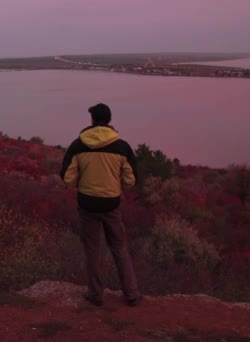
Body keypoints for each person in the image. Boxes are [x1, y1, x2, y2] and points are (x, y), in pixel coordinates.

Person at [60, 103, 142, 307]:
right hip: (111, 205)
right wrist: (114, 184)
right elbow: (131, 180)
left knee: (92, 249)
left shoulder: (78, 145)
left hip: (87, 204)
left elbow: (68, 179)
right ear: (109, 120)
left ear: (93, 120)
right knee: (119, 247)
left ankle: (96, 294)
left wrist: (84, 183)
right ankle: (131, 293)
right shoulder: (122, 147)